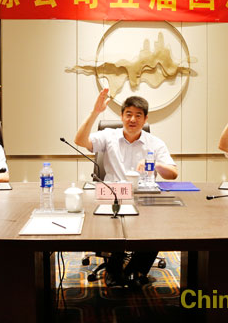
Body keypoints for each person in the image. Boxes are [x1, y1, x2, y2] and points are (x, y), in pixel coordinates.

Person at [74, 88, 178, 287]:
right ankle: (114, 271)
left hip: (144, 199)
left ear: (145, 119)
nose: (132, 119)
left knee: (156, 230)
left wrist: (155, 165)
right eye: (128, 114)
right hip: (113, 196)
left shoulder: (155, 143)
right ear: (121, 116)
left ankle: (135, 271)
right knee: (113, 225)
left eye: (138, 115)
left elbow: (173, 174)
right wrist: (95, 112)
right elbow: (80, 140)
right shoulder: (108, 136)